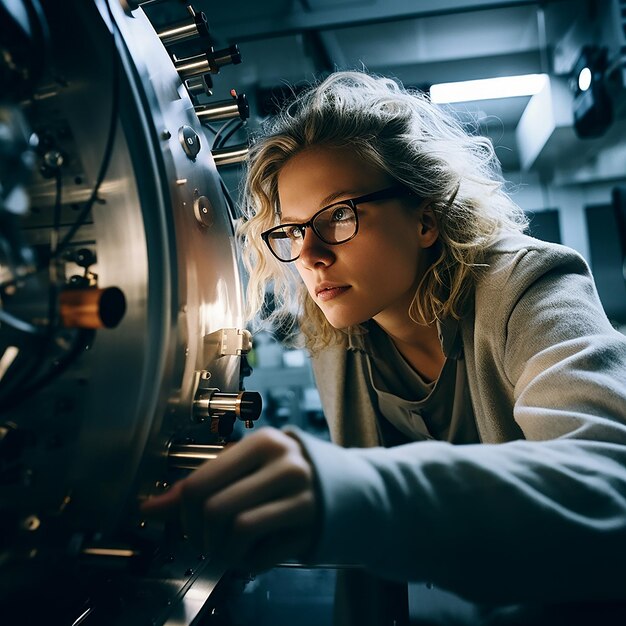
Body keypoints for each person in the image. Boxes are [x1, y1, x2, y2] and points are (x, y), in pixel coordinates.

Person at [143, 71, 626, 625]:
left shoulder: (529, 284)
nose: (311, 255)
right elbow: (371, 580)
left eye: (340, 215)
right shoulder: (336, 329)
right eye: (292, 231)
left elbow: (611, 480)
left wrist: (352, 493)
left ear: (425, 217)